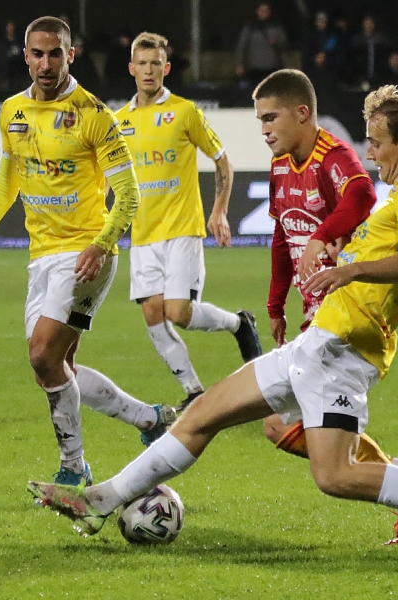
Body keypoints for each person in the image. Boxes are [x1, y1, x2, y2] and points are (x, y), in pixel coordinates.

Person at [29, 83, 398, 554]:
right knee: (201, 417)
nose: (370, 151)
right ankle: (99, 502)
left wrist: (348, 269)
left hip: (341, 349)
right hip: (320, 344)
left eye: (377, 141)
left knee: (334, 475)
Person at [0, 16, 177, 489]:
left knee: (41, 357)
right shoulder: (13, 111)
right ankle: (150, 419)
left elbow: (128, 195)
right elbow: (6, 182)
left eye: (55, 54)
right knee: (57, 367)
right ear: (25, 55)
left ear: (72, 54)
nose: (45, 63)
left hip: (86, 253)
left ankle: (74, 467)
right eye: (36, 53)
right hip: (42, 256)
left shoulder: (93, 115)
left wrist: (102, 242)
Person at [258, 69, 398, 545]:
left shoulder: (372, 174)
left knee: (306, 448)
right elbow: (284, 234)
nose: (369, 152)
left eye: (377, 141)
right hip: (328, 315)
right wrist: (278, 299)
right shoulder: (284, 168)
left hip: (345, 325)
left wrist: (341, 260)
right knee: (283, 428)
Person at [114, 32, 262, 410]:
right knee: (152, 313)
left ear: (166, 68)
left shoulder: (184, 111)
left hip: (182, 228)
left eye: (155, 64)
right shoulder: (119, 121)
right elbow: (111, 176)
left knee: (178, 313)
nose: (148, 71)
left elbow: (222, 159)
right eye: (141, 64)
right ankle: (194, 393)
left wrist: (219, 209)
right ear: (131, 69)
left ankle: (239, 325)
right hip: (143, 232)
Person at [235, 3, 288, 88]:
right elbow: (241, 46)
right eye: (261, 10)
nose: (264, 13)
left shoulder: (276, 26)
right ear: (257, 12)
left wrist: (276, 42)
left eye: (266, 11)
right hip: (254, 67)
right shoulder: (250, 27)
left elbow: (284, 44)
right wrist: (240, 64)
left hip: (272, 65)